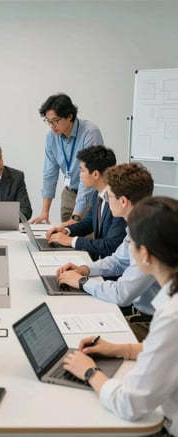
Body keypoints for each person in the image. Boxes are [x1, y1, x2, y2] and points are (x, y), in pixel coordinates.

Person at [62, 196, 178, 437]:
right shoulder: (170, 301)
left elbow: (130, 404)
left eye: (130, 243)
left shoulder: (171, 316)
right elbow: (166, 350)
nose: (126, 249)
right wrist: (121, 349)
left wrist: (90, 372)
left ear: (145, 254)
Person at [57, 163, 160, 341]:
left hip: (152, 325)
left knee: (83, 340)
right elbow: (118, 261)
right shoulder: (137, 225)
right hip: (137, 312)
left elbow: (121, 294)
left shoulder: (149, 237)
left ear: (123, 201)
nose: (106, 198)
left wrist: (82, 282)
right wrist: (84, 269)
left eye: (109, 195)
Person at [31, 93, 103, 224]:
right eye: (48, 121)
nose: (51, 125)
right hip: (69, 194)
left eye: (55, 120)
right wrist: (45, 211)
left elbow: (89, 175)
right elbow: (49, 174)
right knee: (65, 240)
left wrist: (76, 216)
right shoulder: (51, 137)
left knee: (86, 241)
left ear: (69, 116)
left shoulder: (90, 133)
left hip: (91, 195)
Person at [46, 145, 126, 260]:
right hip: (99, 261)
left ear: (95, 174)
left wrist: (72, 241)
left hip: (112, 269)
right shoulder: (97, 194)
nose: (80, 175)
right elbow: (89, 222)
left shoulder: (118, 201)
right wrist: (66, 230)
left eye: (82, 170)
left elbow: (111, 245)